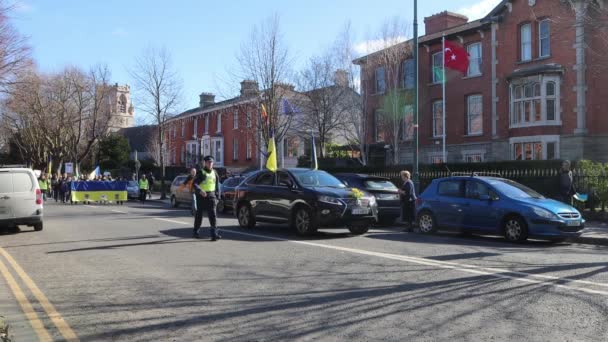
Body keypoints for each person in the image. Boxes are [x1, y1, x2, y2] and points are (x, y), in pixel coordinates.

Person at [193, 156, 221, 241]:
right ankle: (196, 231)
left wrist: (218, 197)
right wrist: (200, 190)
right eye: (208, 162)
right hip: (201, 196)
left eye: (211, 162)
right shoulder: (201, 172)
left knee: (213, 215)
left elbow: (217, 186)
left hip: (211, 196)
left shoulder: (215, 173)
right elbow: (194, 184)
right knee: (199, 215)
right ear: (205, 163)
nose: (210, 164)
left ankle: (214, 234)